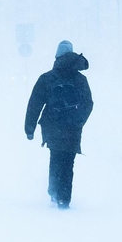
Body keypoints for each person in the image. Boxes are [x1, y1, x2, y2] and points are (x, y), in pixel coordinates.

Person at [24, 40, 93, 209]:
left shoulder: (47, 78)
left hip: (53, 127)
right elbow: (88, 103)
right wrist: (78, 121)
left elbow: (35, 104)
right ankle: (64, 199)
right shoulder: (81, 80)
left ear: (56, 56)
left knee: (55, 159)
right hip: (73, 129)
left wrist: (29, 128)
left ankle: (54, 192)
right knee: (68, 162)